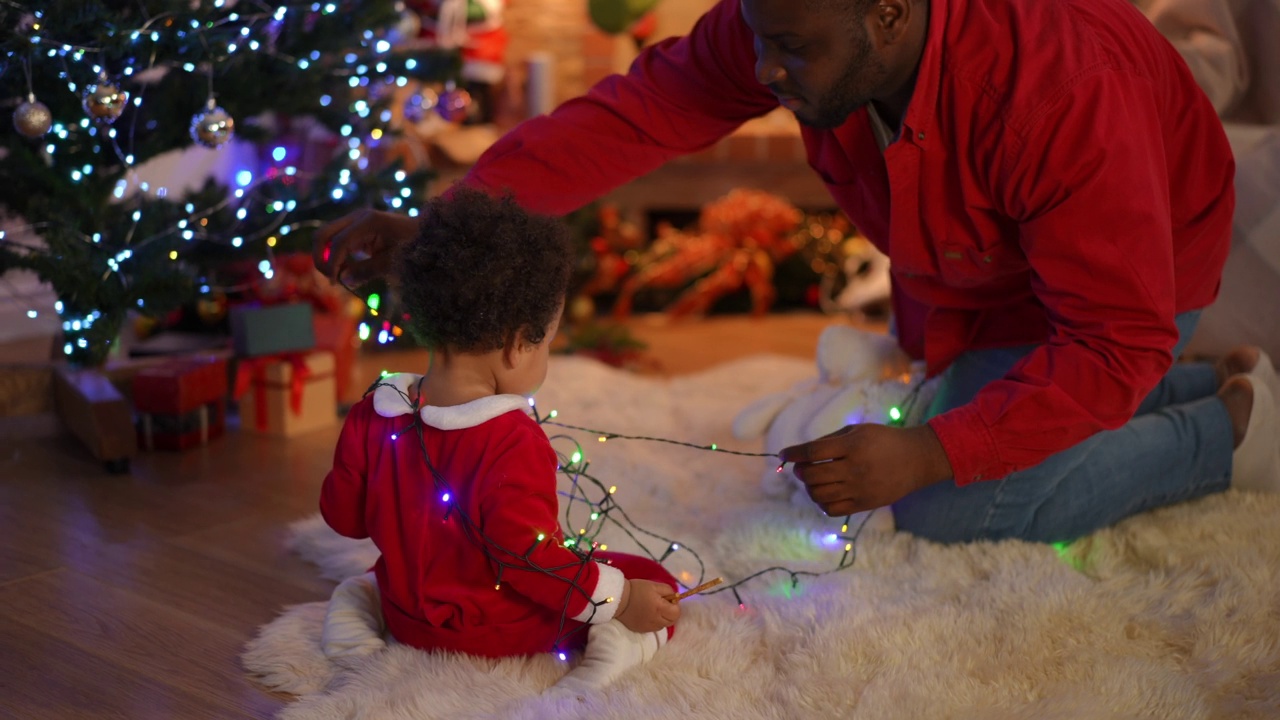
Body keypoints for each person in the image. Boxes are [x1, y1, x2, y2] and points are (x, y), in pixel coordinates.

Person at [315, 0, 1280, 544]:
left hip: (1124, 287)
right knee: (949, 424)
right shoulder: (796, 18)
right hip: (968, 283)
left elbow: (1114, 338)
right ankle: (1195, 385)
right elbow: (636, 114)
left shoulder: (1063, 92)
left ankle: (1233, 432)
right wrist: (453, 217)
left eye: (787, 50)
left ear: (891, 15)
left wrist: (935, 454)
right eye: (756, 36)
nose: (764, 71)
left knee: (951, 501)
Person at [317, 188, 680, 692]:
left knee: (367, 585)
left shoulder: (374, 412)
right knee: (646, 579)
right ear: (516, 345)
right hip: (491, 631)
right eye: (546, 342)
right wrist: (621, 598)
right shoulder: (513, 442)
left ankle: (358, 632)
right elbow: (527, 561)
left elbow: (344, 518)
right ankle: (615, 653)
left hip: (409, 612)